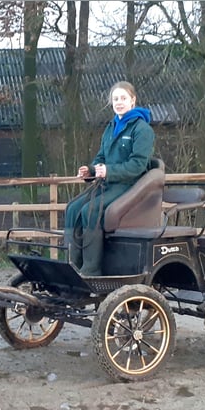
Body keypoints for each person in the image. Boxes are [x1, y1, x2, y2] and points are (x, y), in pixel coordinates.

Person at [64, 81, 155, 276]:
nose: (119, 102)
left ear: (133, 100)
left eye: (123, 98)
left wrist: (108, 171)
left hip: (130, 185)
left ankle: (91, 269)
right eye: (115, 99)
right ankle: (73, 263)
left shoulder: (142, 130)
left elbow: (137, 165)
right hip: (107, 184)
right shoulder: (111, 127)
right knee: (72, 209)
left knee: (92, 210)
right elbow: (101, 157)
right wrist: (90, 170)